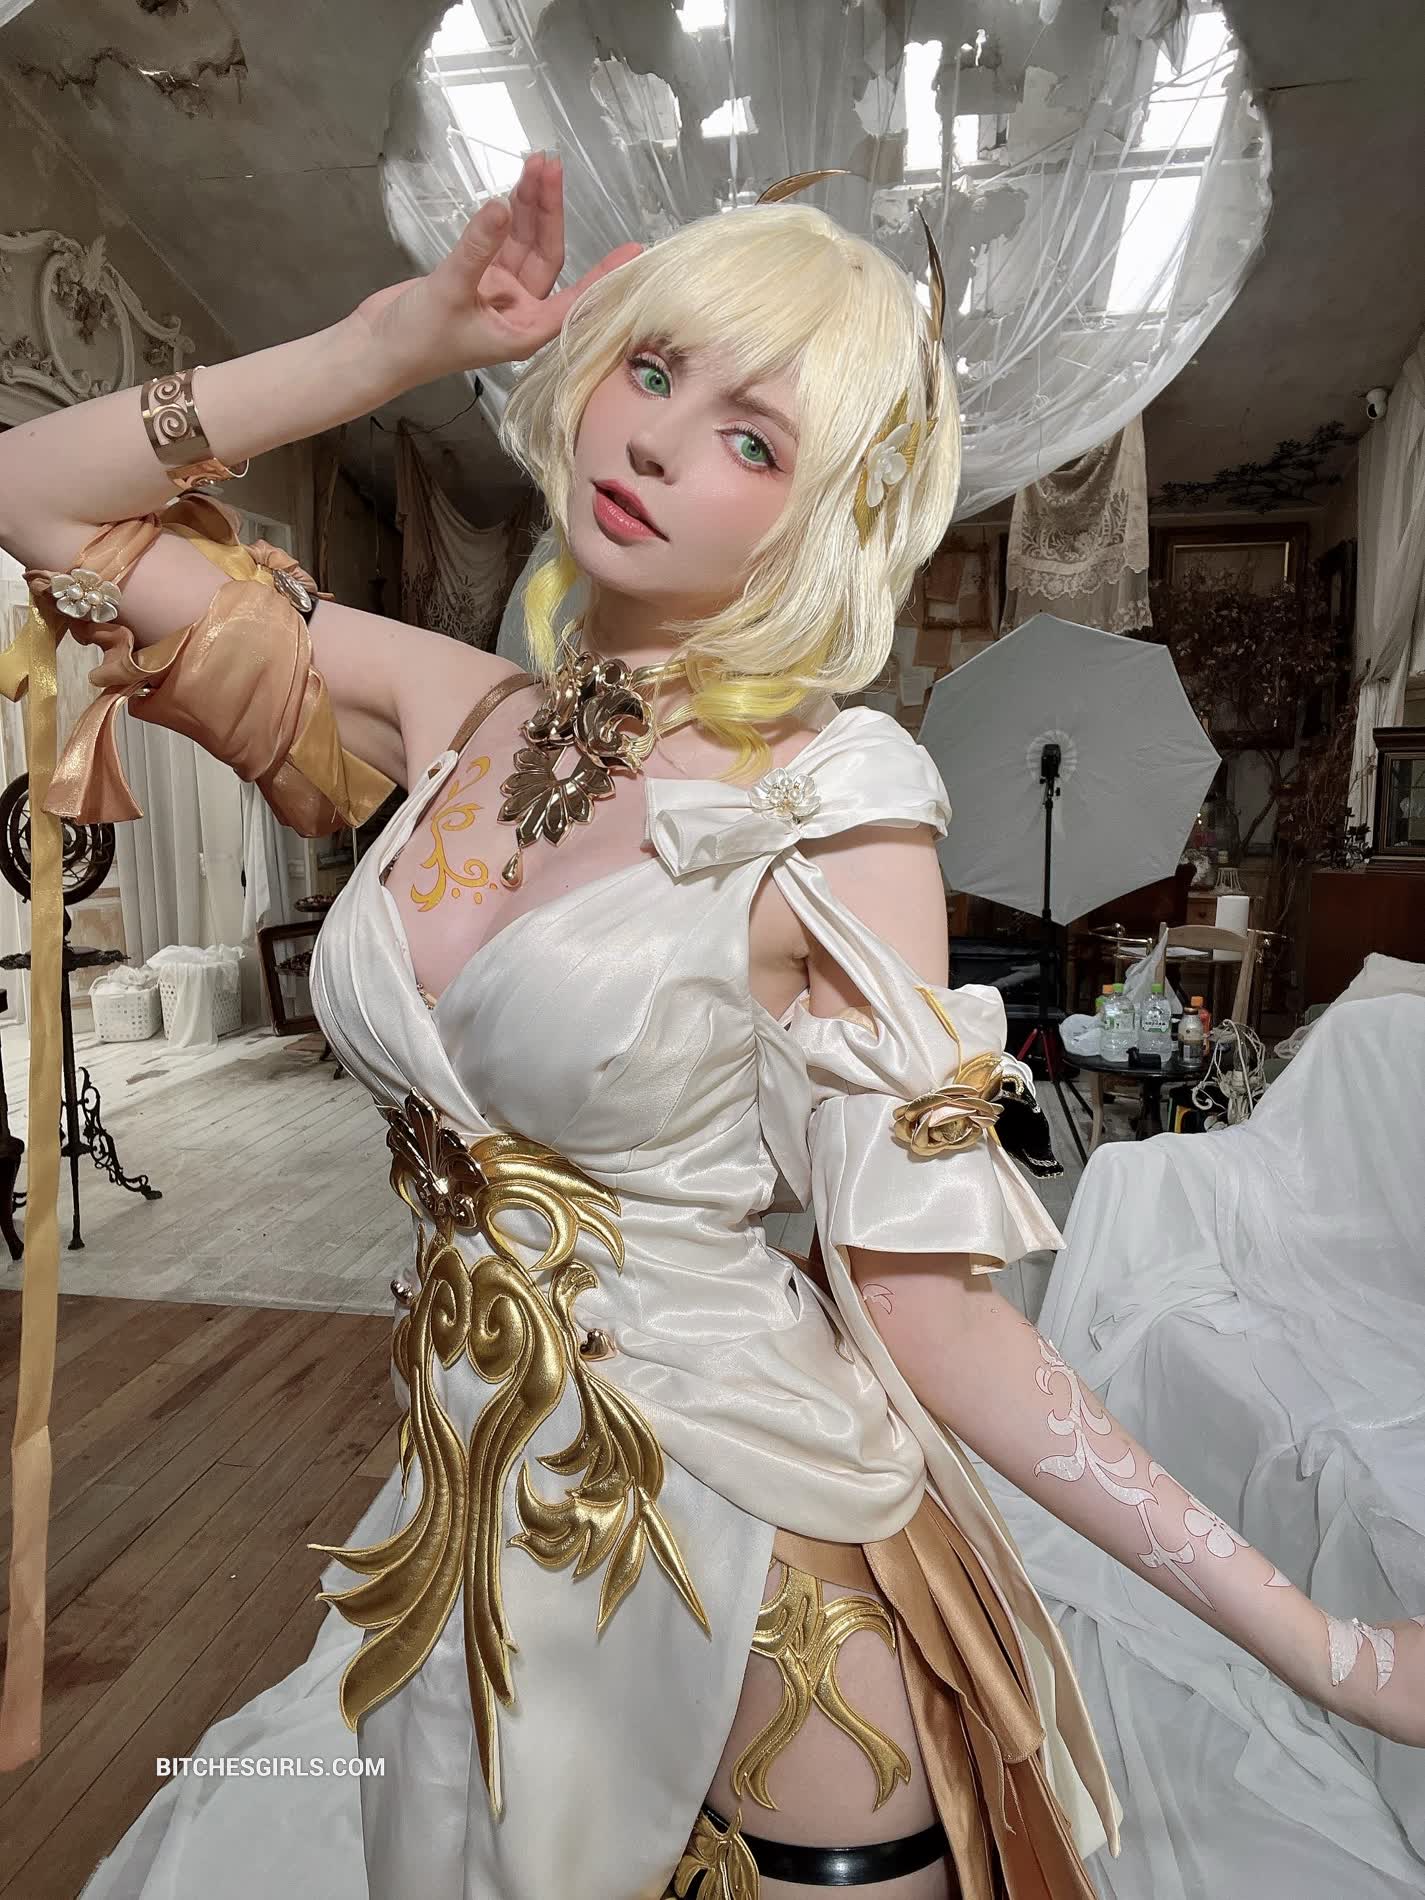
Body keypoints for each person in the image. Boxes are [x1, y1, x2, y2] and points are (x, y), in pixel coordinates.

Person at [0, 153, 1419, 1900]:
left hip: (743, 1543)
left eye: (753, 438)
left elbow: (931, 1316)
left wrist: (1330, 1650)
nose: (659, 440)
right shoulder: (461, 710)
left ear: (819, 517)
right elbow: (37, 499)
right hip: (462, 1503)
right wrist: (390, 343)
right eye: (653, 369)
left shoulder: (837, 806)